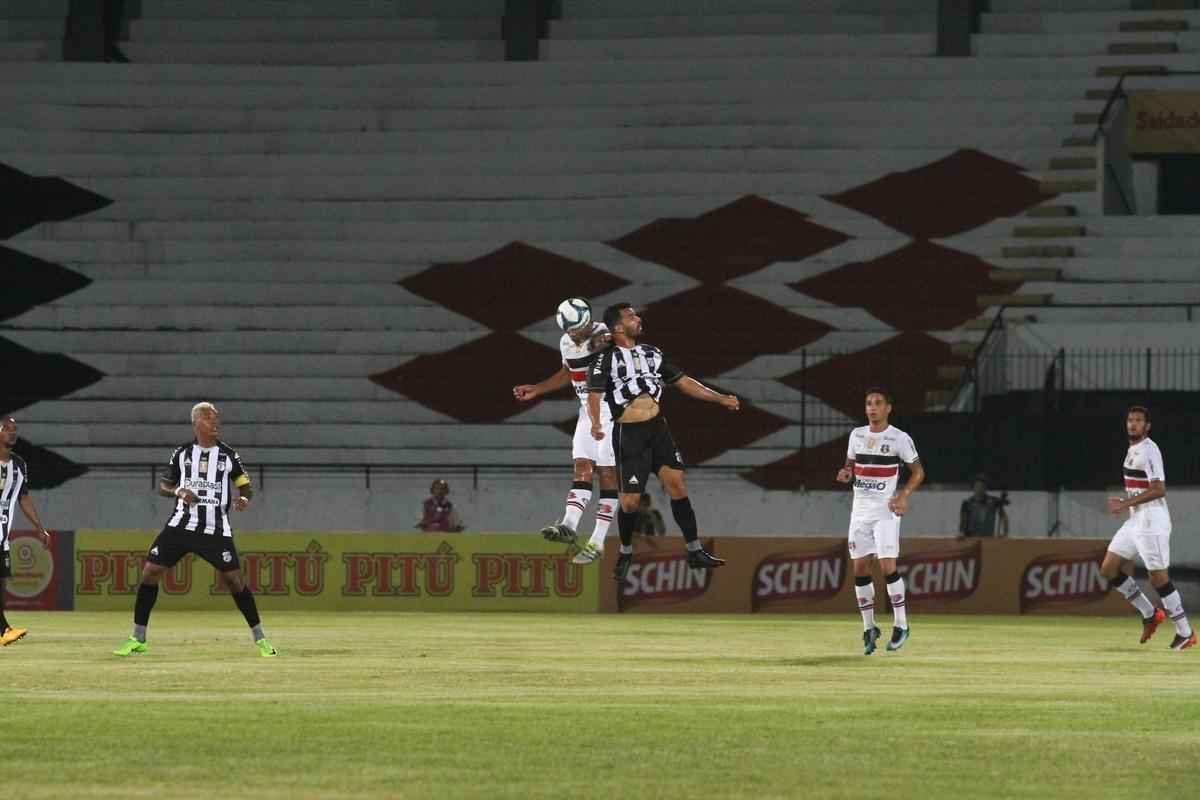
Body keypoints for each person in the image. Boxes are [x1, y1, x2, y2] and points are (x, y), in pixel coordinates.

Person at [587, 303, 739, 580]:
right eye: (631, 316)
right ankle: (625, 551)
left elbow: (684, 381)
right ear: (618, 327)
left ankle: (694, 550)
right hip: (629, 434)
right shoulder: (604, 359)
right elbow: (594, 395)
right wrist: (596, 423)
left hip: (657, 429)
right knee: (630, 502)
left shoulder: (652, 353)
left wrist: (720, 398)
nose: (637, 318)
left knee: (677, 484)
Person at [113, 402, 277, 658]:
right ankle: (138, 638)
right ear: (197, 422)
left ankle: (261, 639)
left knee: (235, 581)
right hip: (181, 525)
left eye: (216, 418)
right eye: (210, 418)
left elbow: (244, 484)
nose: (215, 422)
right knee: (150, 572)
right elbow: (164, 486)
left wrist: (245, 498)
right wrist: (179, 491)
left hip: (215, 528)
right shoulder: (182, 453)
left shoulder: (228, 455)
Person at [513, 298, 617, 565]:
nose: (574, 335)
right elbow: (567, 372)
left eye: (578, 329)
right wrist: (538, 388)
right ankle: (569, 524)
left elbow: (604, 346)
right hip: (587, 411)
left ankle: (598, 539)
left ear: (588, 319)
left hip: (613, 410)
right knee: (582, 467)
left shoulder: (605, 333)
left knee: (607, 473)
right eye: (570, 331)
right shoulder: (566, 342)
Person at [835, 388, 924, 656]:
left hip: (886, 510)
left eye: (877, 403)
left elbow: (918, 471)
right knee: (860, 569)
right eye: (868, 404)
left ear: (888, 408)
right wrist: (846, 472)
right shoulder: (857, 435)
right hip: (860, 511)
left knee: (887, 566)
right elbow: (850, 464)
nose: (872, 408)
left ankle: (901, 625)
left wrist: (903, 495)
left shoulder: (899, 438)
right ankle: (869, 628)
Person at [1100, 405, 1194, 650]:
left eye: (1139, 420)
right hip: (1136, 520)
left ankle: (1185, 632)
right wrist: (1128, 503)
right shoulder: (1132, 449)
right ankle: (1150, 614)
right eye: (1130, 420)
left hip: (1152, 521)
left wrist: (1124, 503)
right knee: (1109, 568)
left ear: (1147, 426)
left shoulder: (1150, 450)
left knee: (1158, 578)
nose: (1133, 424)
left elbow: (1158, 489)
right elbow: (1140, 486)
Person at [0, 416, 53, 647]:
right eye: (6, 428)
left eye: (14, 429)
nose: (12, 432)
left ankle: (3, 630)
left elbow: (23, 498)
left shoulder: (19, 465)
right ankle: (3, 630)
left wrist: (39, 528)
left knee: (1, 582)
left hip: (2, 536)